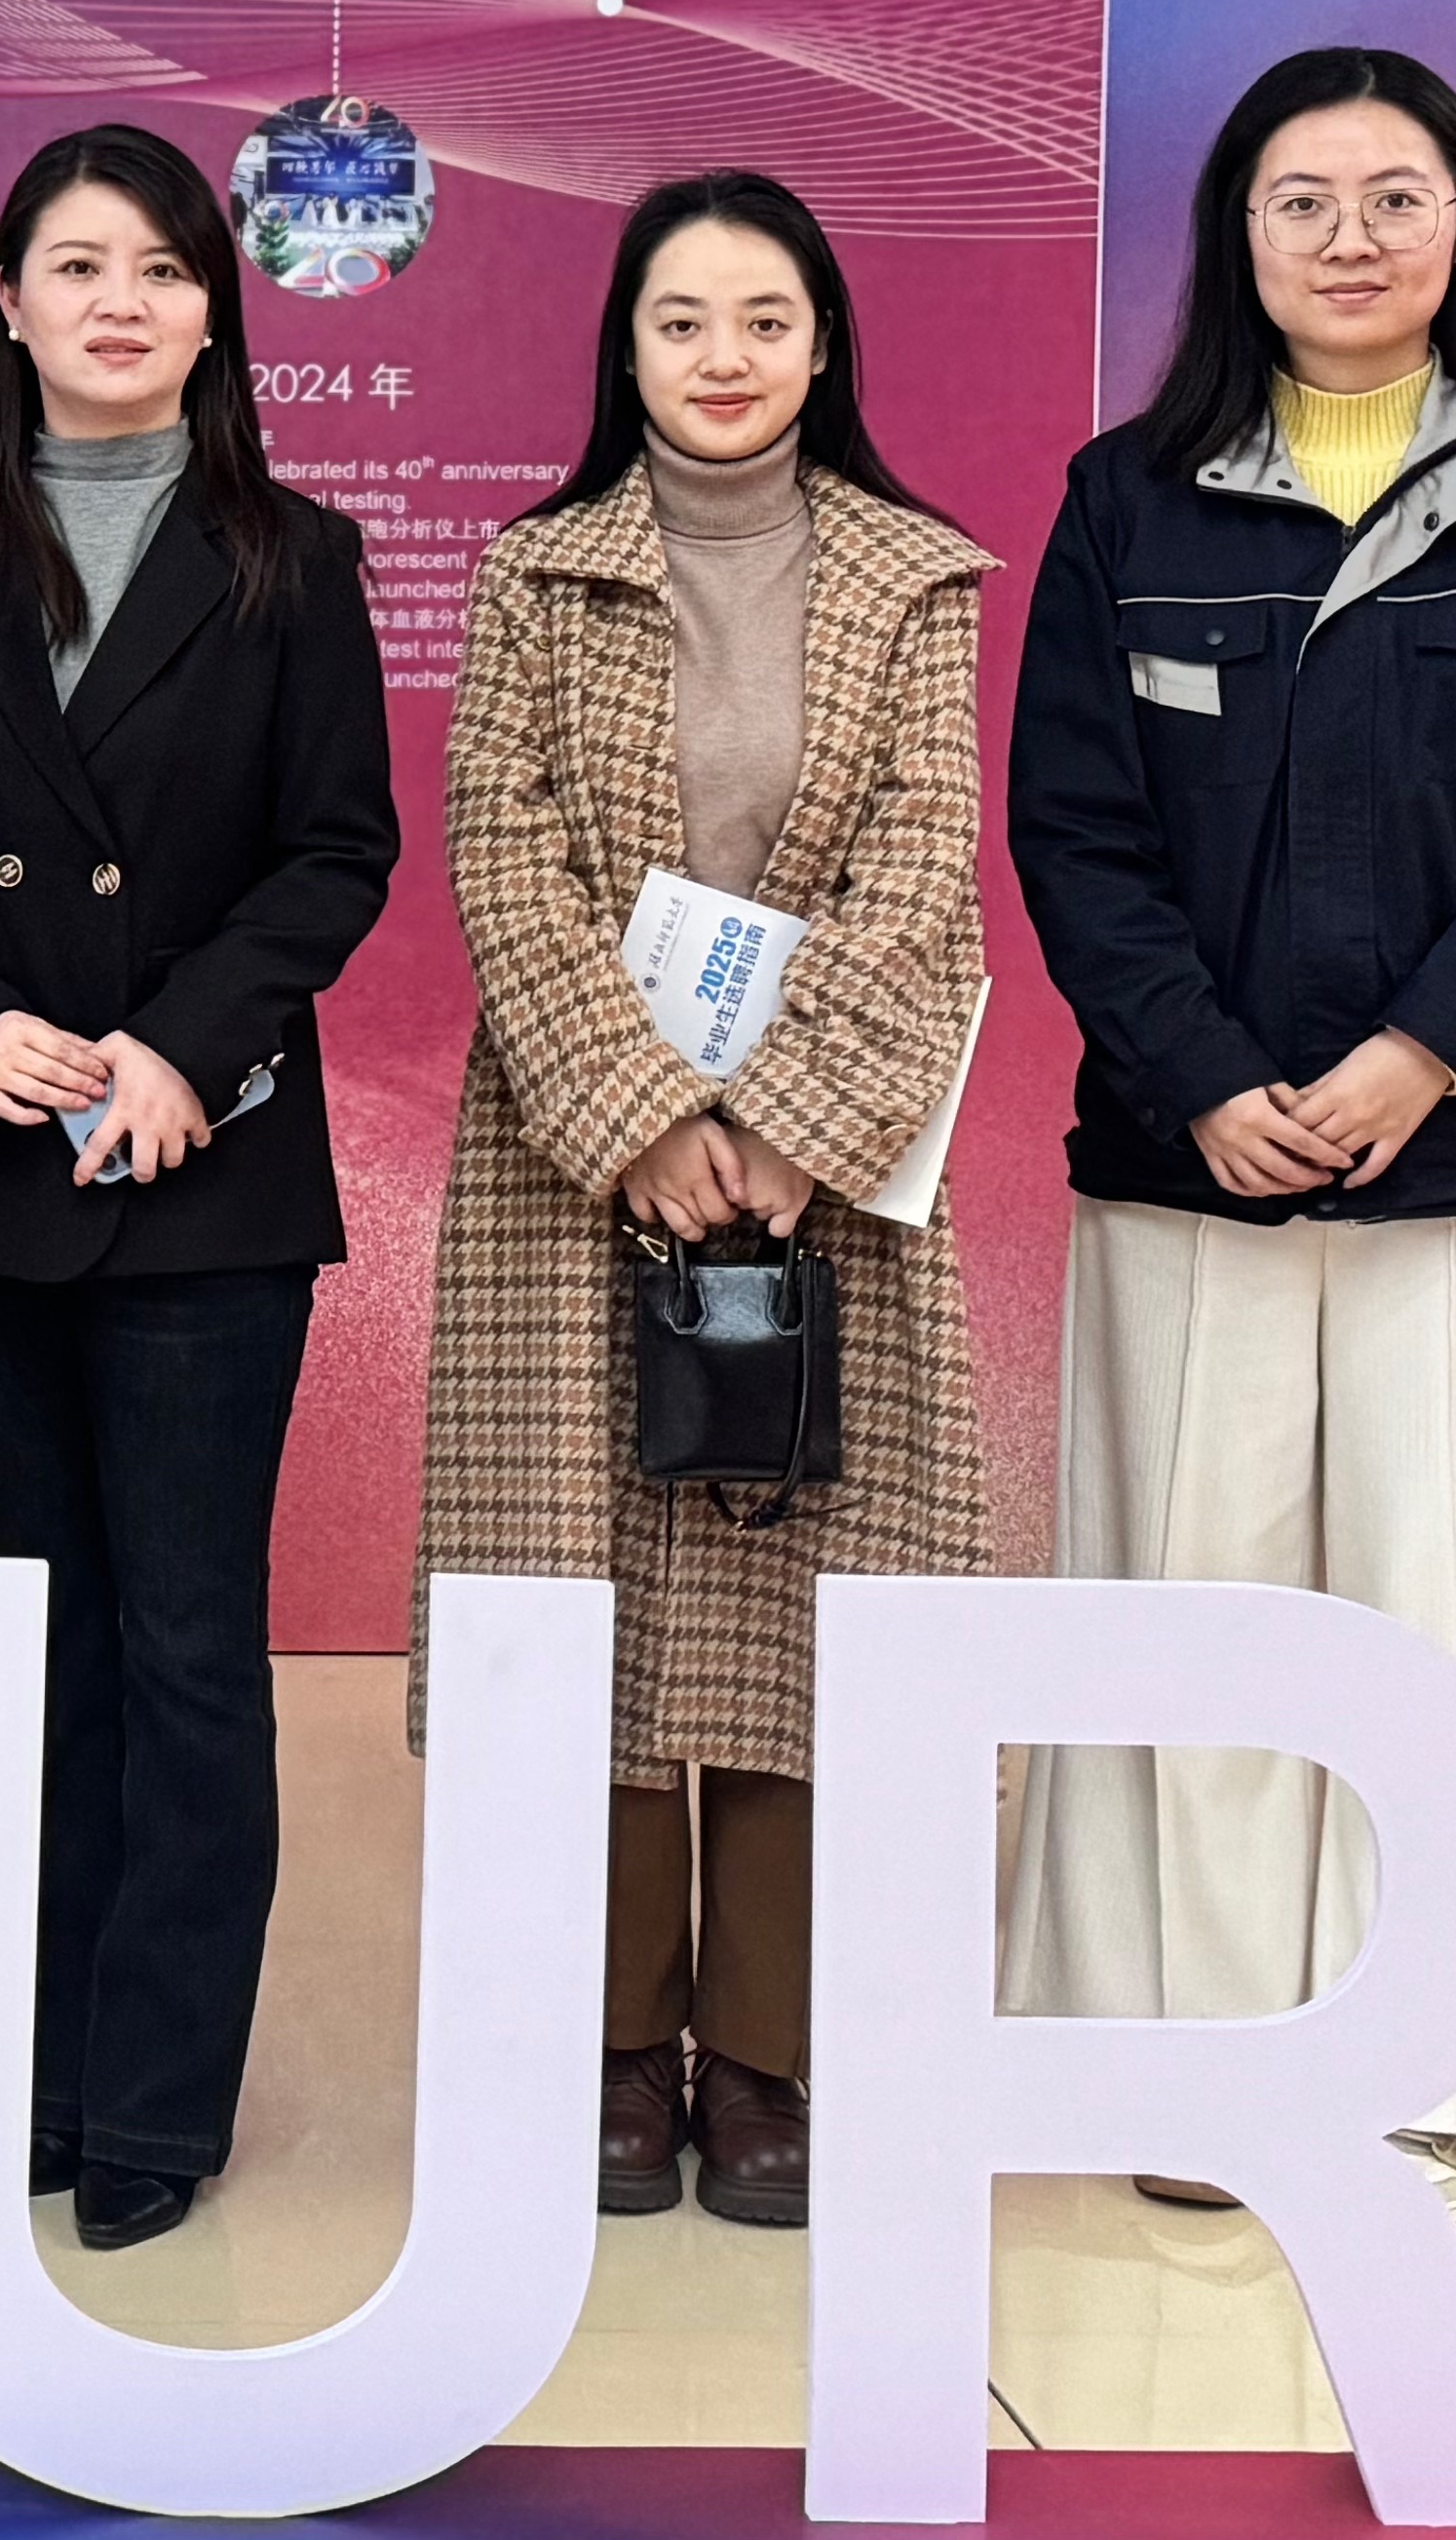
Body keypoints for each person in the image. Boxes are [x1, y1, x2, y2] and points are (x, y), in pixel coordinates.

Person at [1000, 46, 1456, 2237]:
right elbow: (1077, 835)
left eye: (1396, 196)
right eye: (1302, 200)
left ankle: (1436, 2073)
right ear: (1240, 233)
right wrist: (1206, 1078)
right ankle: (1201, 2061)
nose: (1352, 239)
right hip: (1186, 1157)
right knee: (1194, 1608)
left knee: (1448, 1619)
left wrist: (1419, 1058)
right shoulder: (1129, 502)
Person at [420, 170, 991, 2233]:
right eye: (682, 321)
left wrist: (783, 1132)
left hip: (828, 1179)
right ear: (628, 348)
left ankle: (765, 2054)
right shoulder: (534, 572)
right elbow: (501, 855)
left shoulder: (921, 580)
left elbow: (925, 863)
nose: (724, 356)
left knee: (796, 1605)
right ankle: (599, 2043)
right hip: (571, 1172)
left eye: (764, 318)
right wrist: (650, 1119)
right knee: (572, 1602)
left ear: (824, 344)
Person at [0, 126, 398, 2252]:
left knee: (183, 1645)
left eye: (162, 269)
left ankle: (158, 2095)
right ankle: (42, 2070)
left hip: (205, 1176)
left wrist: (186, 1046)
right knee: (37, 1640)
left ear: (213, 315)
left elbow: (335, 852)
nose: (120, 303)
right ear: (6, 304)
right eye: (76, 267)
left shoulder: (295, 558)